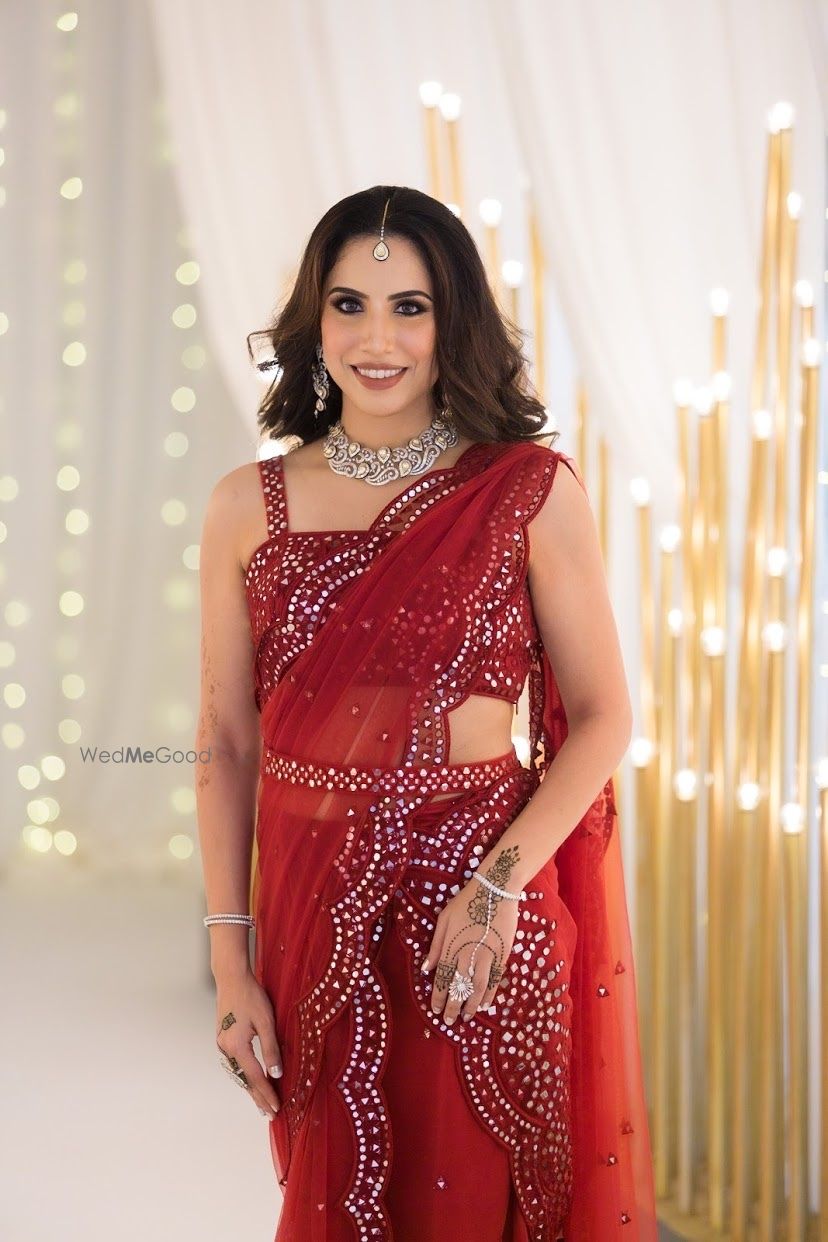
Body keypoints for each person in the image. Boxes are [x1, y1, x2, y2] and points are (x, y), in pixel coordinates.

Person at [195, 185, 657, 1241]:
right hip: (315, 919)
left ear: (455, 323)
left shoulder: (526, 490)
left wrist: (494, 895)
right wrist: (231, 963)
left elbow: (601, 717)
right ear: (315, 322)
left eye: (411, 306)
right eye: (350, 304)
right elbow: (225, 745)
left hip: (480, 907)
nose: (378, 337)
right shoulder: (244, 505)